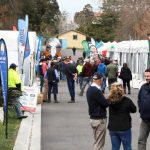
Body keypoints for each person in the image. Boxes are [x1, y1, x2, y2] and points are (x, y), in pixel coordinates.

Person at [108, 82, 136, 150]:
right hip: (124, 127)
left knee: (115, 148)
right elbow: (134, 110)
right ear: (122, 89)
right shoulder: (126, 100)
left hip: (113, 128)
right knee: (127, 147)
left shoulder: (110, 100)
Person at [86, 72, 109, 150]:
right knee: (99, 144)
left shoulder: (90, 89)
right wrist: (110, 98)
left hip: (93, 118)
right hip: (99, 119)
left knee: (96, 142)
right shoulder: (96, 91)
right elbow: (105, 103)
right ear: (101, 79)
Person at [138, 68, 150, 150]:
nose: (146, 78)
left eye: (148, 76)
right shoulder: (143, 87)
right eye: (145, 76)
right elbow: (139, 99)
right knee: (141, 140)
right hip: (144, 120)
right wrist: (140, 109)